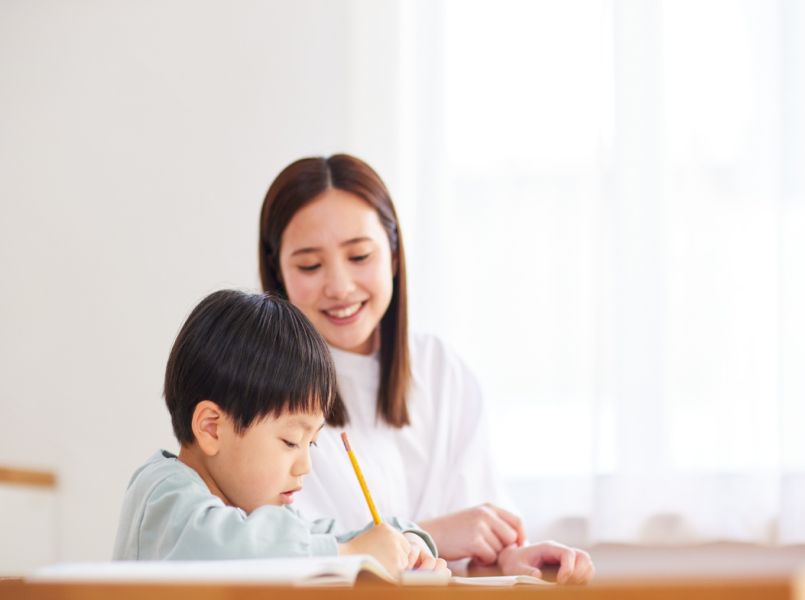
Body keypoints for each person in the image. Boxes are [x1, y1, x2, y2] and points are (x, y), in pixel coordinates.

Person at [258, 155, 594, 584]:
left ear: (394, 256)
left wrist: (512, 558)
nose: (339, 287)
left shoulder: (441, 371)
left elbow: (475, 544)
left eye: (359, 256)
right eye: (310, 265)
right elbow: (270, 551)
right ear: (279, 272)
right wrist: (427, 536)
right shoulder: (256, 391)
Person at [112, 289, 448, 578]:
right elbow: (227, 550)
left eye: (310, 443)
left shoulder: (251, 512)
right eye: (291, 441)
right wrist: (349, 555)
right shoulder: (163, 494)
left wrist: (406, 543)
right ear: (212, 428)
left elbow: (330, 536)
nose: (305, 466)